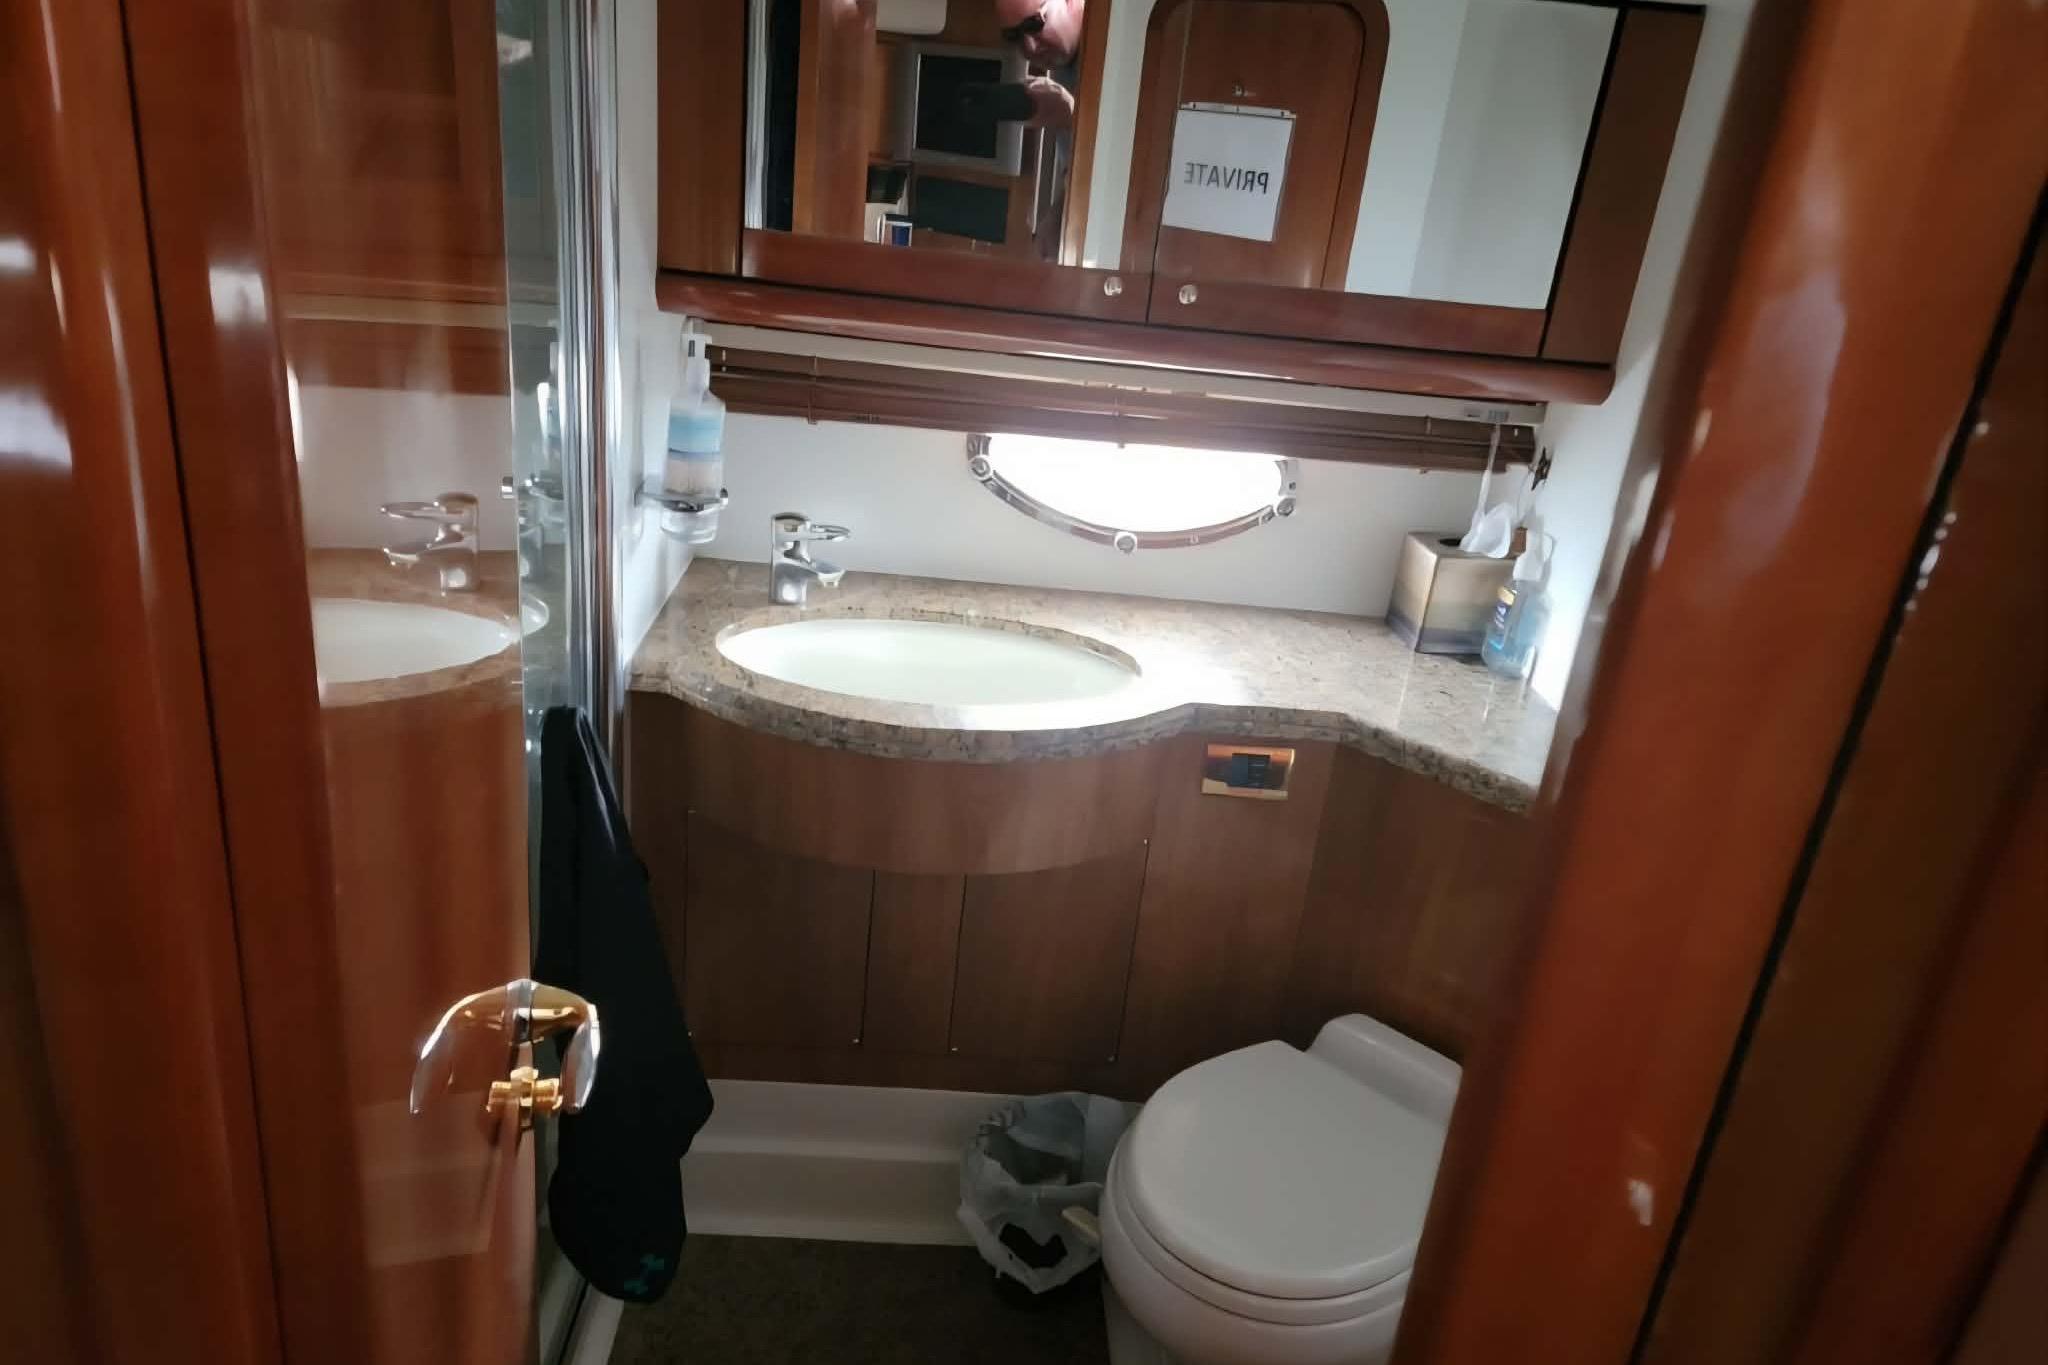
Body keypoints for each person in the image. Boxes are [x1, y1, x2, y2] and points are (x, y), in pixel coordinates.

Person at [991, 0, 1085, 128]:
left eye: (1033, 24)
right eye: (1014, 35)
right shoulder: (1059, 74)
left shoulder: (1111, 46)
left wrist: (1070, 113)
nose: (1030, 47)